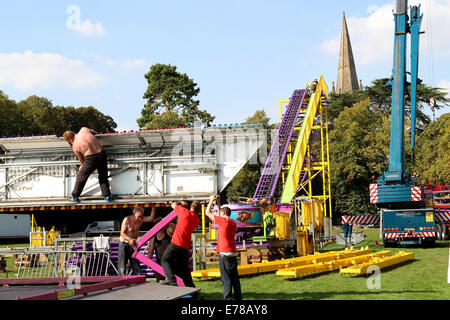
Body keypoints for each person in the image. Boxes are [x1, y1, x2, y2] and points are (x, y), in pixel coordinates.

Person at [205, 195, 242, 300]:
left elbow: (207, 213)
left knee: (226, 279)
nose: (218, 214)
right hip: (232, 253)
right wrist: (218, 202)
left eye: (219, 213)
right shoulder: (233, 222)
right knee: (235, 279)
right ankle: (238, 298)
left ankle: (228, 300)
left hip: (224, 255)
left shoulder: (222, 221)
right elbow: (219, 213)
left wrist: (211, 200)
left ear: (223, 214)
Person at [63, 127, 111, 203]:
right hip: (102, 154)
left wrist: (82, 166)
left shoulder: (75, 146)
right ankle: (107, 196)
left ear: (70, 139)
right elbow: (94, 132)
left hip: (90, 158)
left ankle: (75, 196)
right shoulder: (84, 130)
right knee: (103, 175)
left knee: (82, 176)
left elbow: (81, 159)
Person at [160, 201, 201, 287]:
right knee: (183, 269)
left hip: (176, 242)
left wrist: (180, 202)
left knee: (165, 260)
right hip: (185, 246)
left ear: (191, 206)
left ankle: (171, 280)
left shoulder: (184, 211)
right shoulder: (197, 219)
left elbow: (173, 205)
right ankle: (192, 289)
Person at [118, 207, 156, 276]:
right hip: (125, 243)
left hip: (134, 244)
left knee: (136, 264)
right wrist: (129, 239)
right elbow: (122, 233)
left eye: (142, 216)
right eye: (139, 216)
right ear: (134, 214)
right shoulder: (127, 219)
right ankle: (121, 279)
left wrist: (153, 208)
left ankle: (136, 278)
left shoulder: (140, 220)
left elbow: (151, 217)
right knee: (122, 264)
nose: (140, 218)